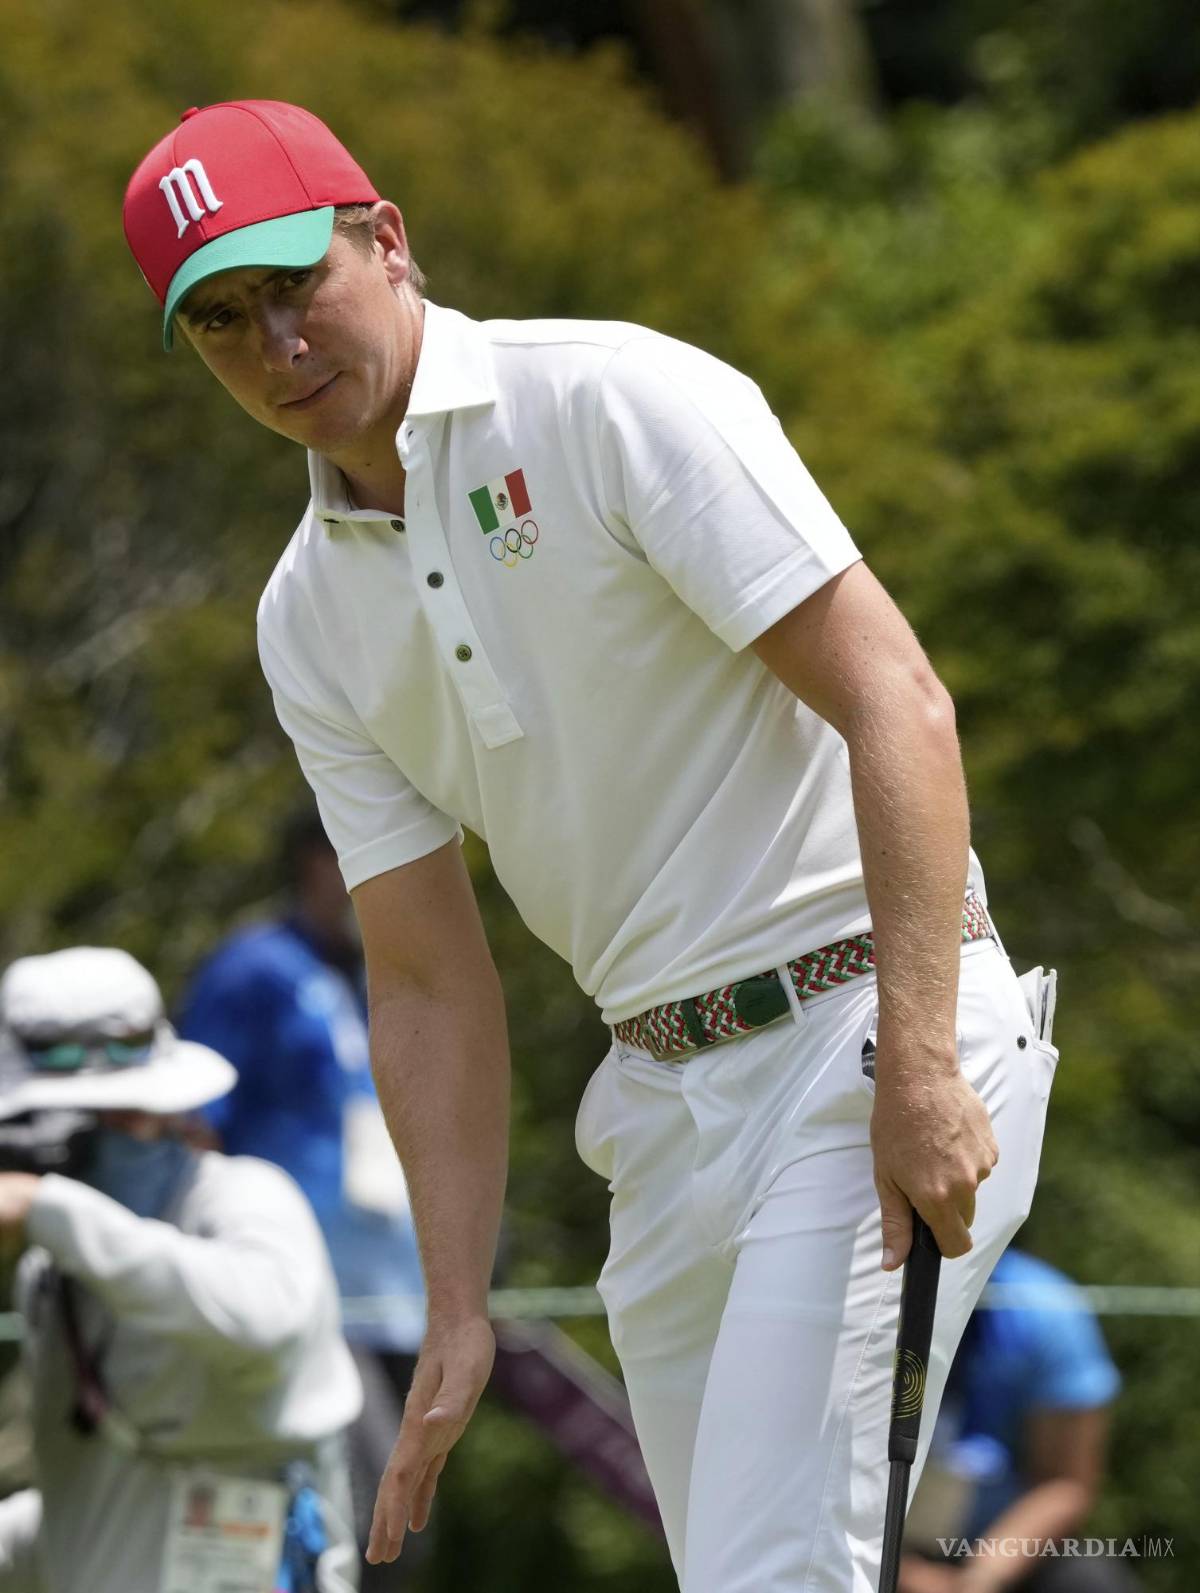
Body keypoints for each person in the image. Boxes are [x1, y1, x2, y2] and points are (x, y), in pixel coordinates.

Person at [122, 99, 1059, 1593]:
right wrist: (455, 1303)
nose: (277, 343)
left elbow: (901, 702)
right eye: (225, 320)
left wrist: (927, 1058)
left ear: (387, 240)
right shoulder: (304, 616)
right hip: (659, 1110)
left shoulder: (609, 396)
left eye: (297, 284)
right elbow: (425, 976)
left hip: (861, 1042)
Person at [0, 946, 362, 1593]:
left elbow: (260, 1316)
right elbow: (93, 1497)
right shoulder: (53, 1274)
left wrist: (50, 1208)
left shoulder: (244, 1197)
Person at [179, 809, 431, 1586]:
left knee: (407, 1518)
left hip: (398, 1293)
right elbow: (192, 1121)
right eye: (350, 853)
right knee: (360, 1525)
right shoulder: (250, 970)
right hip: (305, 1293)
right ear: (311, 862)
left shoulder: (382, 969)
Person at [901, 1248, 1134, 1593]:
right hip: (861, 1542)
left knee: (1090, 1582)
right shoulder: (850, 1296)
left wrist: (981, 1579)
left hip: (991, 1550)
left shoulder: (1048, 1307)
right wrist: (902, 1573)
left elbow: (1065, 1483)